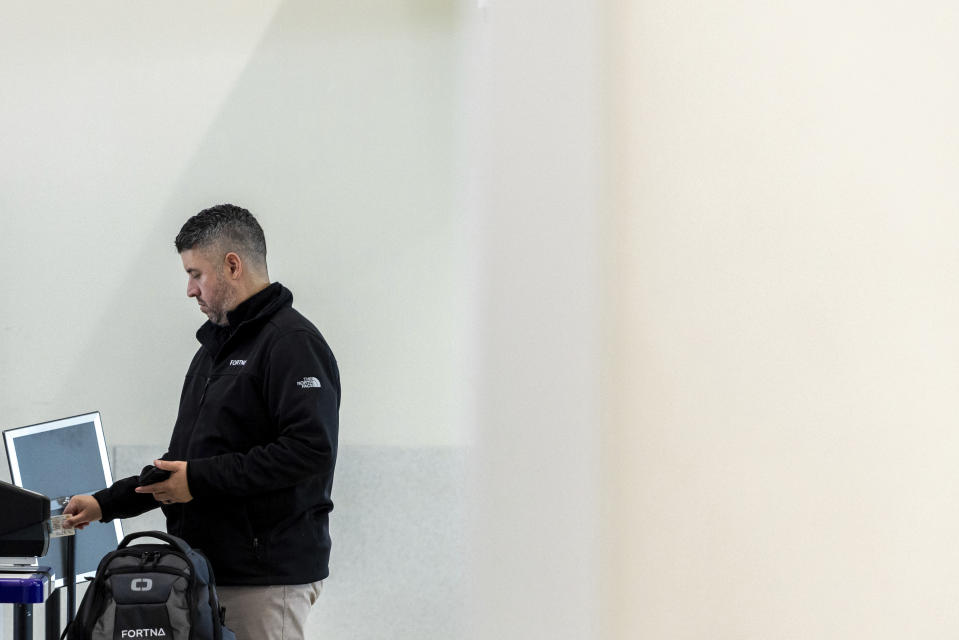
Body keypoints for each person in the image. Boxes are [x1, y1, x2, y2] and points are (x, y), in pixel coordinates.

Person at [64, 204, 340, 640]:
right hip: (207, 572)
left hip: (264, 582)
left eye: (196, 274)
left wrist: (199, 479)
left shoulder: (292, 344)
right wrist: (105, 504)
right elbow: (184, 464)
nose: (190, 290)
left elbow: (309, 450)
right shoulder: (214, 351)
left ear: (232, 265)